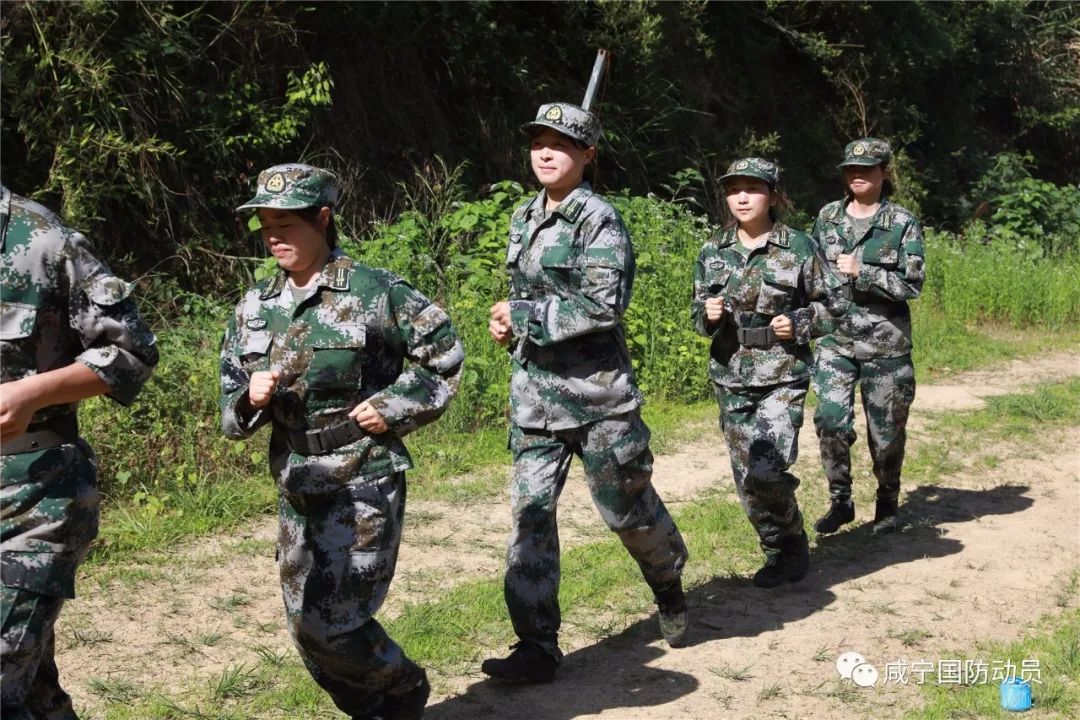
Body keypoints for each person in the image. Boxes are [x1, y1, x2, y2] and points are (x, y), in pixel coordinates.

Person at [219, 164, 464, 720]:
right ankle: (374, 708)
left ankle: (402, 689)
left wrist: (393, 407)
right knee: (304, 628)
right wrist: (249, 400)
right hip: (297, 481)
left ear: (323, 218)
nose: (273, 236)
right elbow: (229, 407)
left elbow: (444, 356)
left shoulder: (375, 291)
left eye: (286, 223)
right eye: (265, 225)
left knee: (332, 623)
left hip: (363, 476)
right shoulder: (254, 306)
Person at [482, 103, 689, 684]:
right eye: (538, 143)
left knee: (626, 512)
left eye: (561, 145)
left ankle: (667, 581)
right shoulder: (525, 215)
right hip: (535, 398)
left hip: (599, 400)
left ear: (588, 155)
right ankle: (536, 645)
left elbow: (602, 305)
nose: (546, 154)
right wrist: (509, 324)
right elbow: (528, 294)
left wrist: (524, 314)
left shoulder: (600, 220)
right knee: (530, 517)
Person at [1, 185, 159, 719]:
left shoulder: (45, 241)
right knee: (32, 693)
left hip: (34, 496)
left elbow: (132, 352)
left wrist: (31, 393)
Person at [690, 158, 846, 588]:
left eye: (753, 189)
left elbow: (834, 305)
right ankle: (777, 549)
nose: (741, 197)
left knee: (766, 467)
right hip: (731, 375)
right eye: (733, 189)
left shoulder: (799, 247)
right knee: (746, 478)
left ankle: (791, 538)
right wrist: (706, 314)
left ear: (773, 195)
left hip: (782, 373)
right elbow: (696, 313)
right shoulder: (712, 250)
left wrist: (799, 322)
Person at [809, 138, 924, 536]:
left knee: (886, 434)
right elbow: (812, 273)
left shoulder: (902, 222)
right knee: (830, 421)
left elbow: (912, 284)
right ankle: (840, 501)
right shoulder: (827, 217)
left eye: (866, 169)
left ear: (883, 173)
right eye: (851, 170)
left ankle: (887, 502)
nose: (857, 175)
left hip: (885, 345)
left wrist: (865, 272)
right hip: (835, 339)